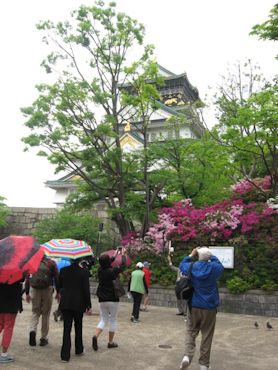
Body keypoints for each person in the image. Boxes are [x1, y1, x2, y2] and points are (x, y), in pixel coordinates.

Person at [178, 247, 224, 370]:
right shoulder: (214, 268)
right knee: (207, 335)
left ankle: (187, 356)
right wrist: (211, 255)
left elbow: (182, 264)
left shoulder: (192, 266)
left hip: (194, 305)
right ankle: (203, 364)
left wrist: (191, 254)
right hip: (210, 306)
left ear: (198, 256)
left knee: (191, 331)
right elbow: (220, 265)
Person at [92, 248, 127, 351]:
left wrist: (115, 255)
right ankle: (110, 342)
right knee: (113, 320)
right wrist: (123, 255)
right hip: (113, 299)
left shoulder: (100, 270)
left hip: (102, 299)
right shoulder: (113, 271)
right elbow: (123, 266)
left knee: (103, 319)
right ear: (108, 262)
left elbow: (105, 263)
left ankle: (95, 336)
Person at [59, 258, 92, 363]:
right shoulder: (84, 272)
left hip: (66, 302)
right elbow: (86, 290)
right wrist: (88, 305)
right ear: (80, 260)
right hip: (79, 302)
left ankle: (65, 355)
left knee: (66, 329)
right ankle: (79, 349)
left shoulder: (63, 270)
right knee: (78, 326)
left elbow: (60, 286)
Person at [25, 255, 60, 347]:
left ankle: (32, 330)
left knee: (35, 312)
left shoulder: (32, 262)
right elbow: (56, 278)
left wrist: (27, 293)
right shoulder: (51, 263)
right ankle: (43, 338)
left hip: (35, 289)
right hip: (47, 289)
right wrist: (58, 292)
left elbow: (28, 278)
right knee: (45, 313)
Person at [0, 280, 23, 363]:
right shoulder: (17, 273)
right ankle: (4, 354)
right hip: (11, 305)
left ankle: (4, 353)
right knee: (8, 328)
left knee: (1, 325)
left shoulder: (1, 271)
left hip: (1, 303)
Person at [53, 258, 71, 322]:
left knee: (62, 301)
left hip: (59, 285)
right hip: (67, 285)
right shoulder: (69, 264)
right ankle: (59, 314)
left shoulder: (58, 263)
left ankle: (60, 315)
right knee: (66, 302)